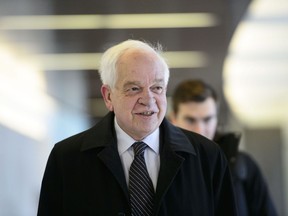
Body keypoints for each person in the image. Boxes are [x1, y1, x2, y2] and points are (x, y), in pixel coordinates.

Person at [37, 40, 238, 216]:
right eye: (134, 89)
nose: (148, 100)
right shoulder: (66, 159)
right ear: (108, 96)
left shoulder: (208, 157)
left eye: (156, 88)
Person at [170, 79, 278, 216]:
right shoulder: (159, 165)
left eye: (207, 119)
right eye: (190, 120)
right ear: (173, 119)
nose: (199, 129)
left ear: (216, 119)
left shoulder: (243, 166)